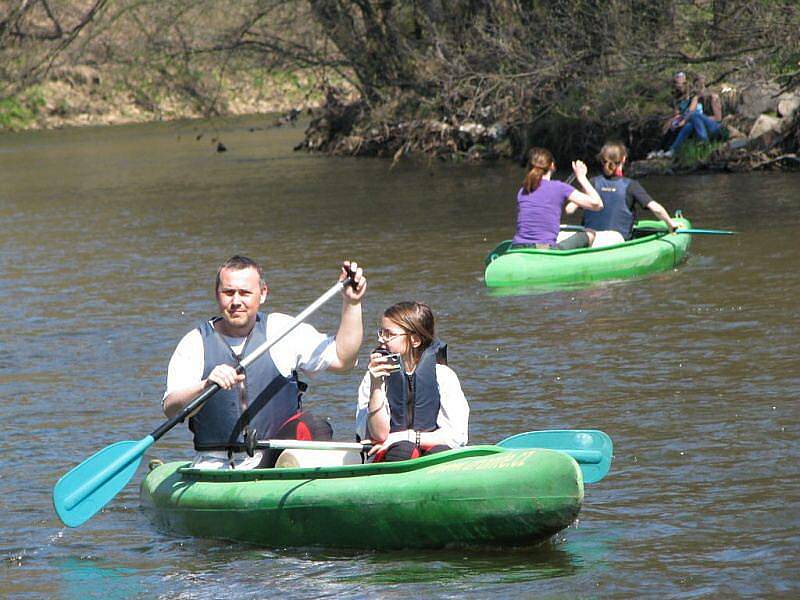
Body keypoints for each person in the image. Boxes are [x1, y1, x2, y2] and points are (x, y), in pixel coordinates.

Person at [162, 255, 367, 469]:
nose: (236, 302)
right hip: (214, 464)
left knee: (314, 426)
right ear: (217, 295)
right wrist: (204, 386)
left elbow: (343, 358)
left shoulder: (282, 329)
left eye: (245, 293)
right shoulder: (194, 342)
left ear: (263, 294)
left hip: (276, 460)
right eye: (228, 292)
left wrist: (352, 303)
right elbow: (171, 409)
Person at [356, 301, 468, 462]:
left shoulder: (444, 376)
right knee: (404, 451)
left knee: (441, 452)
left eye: (389, 334)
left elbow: (456, 436)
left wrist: (407, 436)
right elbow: (379, 435)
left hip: (430, 451)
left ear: (415, 340)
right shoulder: (371, 378)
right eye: (381, 332)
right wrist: (376, 386)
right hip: (389, 456)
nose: (381, 340)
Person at [561, 141, 679, 248]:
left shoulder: (592, 183)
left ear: (602, 160)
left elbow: (569, 209)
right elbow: (656, 209)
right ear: (623, 159)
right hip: (615, 241)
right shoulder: (631, 185)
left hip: (589, 239)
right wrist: (670, 224)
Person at [512, 147, 603, 250]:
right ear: (552, 166)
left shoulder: (523, 190)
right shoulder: (559, 187)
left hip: (517, 247)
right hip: (544, 250)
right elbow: (598, 204)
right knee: (590, 233)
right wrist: (582, 177)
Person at [652, 72, 723, 158]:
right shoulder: (685, 98)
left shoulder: (712, 97)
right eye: (697, 85)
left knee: (694, 116)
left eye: (701, 85)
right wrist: (675, 120)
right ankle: (670, 150)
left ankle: (704, 141)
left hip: (712, 125)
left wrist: (700, 118)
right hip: (695, 123)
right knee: (684, 125)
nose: (699, 88)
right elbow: (680, 113)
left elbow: (718, 118)